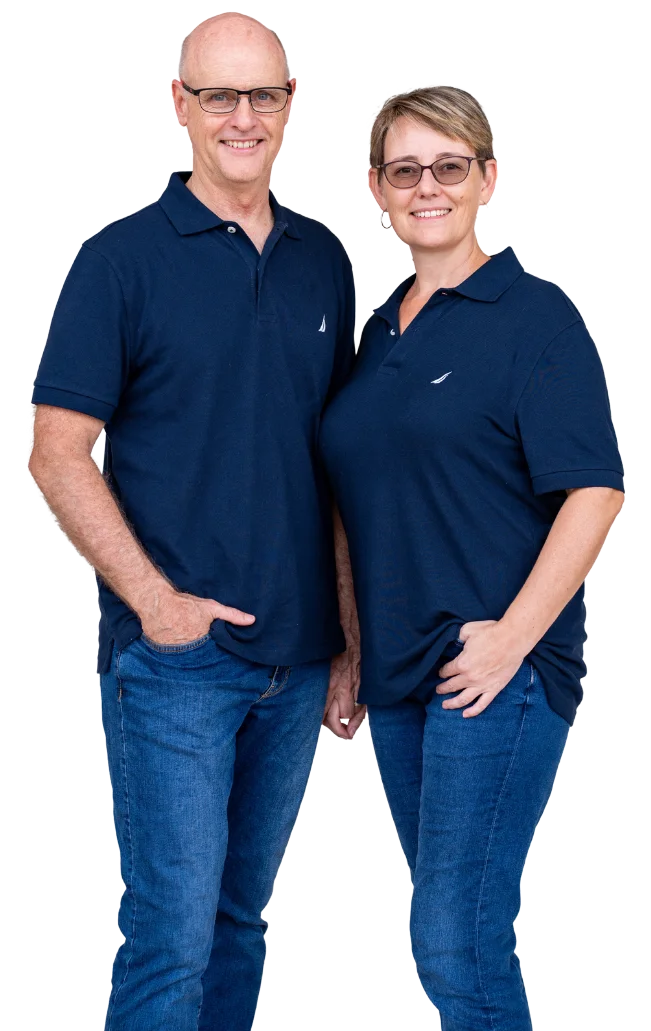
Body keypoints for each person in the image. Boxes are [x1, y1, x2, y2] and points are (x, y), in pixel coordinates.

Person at [28, 13, 364, 1031]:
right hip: (178, 662)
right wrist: (157, 604)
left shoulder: (323, 260)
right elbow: (57, 452)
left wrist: (348, 633)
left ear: (291, 105)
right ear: (181, 104)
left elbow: (334, 462)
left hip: (297, 656)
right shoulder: (119, 261)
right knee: (171, 935)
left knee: (236, 923)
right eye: (219, 95)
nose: (241, 117)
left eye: (262, 95)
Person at [319, 84, 625, 1030]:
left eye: (449, 166)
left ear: (486, 177)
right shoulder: (379, 330)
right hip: (401, 674)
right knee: (452, 930)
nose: (427, 187)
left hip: (494, 669)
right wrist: (351, 646)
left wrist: (509, 640)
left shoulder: (534, 316)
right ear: (376, 187)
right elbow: (354, 500)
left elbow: (593, 492)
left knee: (455, 939)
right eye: (404, 169)